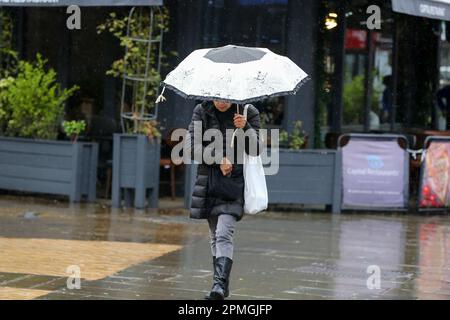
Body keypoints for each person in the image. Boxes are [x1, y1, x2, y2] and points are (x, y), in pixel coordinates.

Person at [186, 100, 261, 300]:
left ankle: (218, 286)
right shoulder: (201, 110)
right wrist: (219, 158)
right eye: (216, 97)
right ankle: (222, 285)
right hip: (209, 182)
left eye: (225, 98)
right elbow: (192, 147)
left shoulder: (247, 111)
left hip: (234, 183)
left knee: (223, 233)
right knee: (214, 235)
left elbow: (256, 150)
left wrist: (245, 126)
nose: (221, 102)